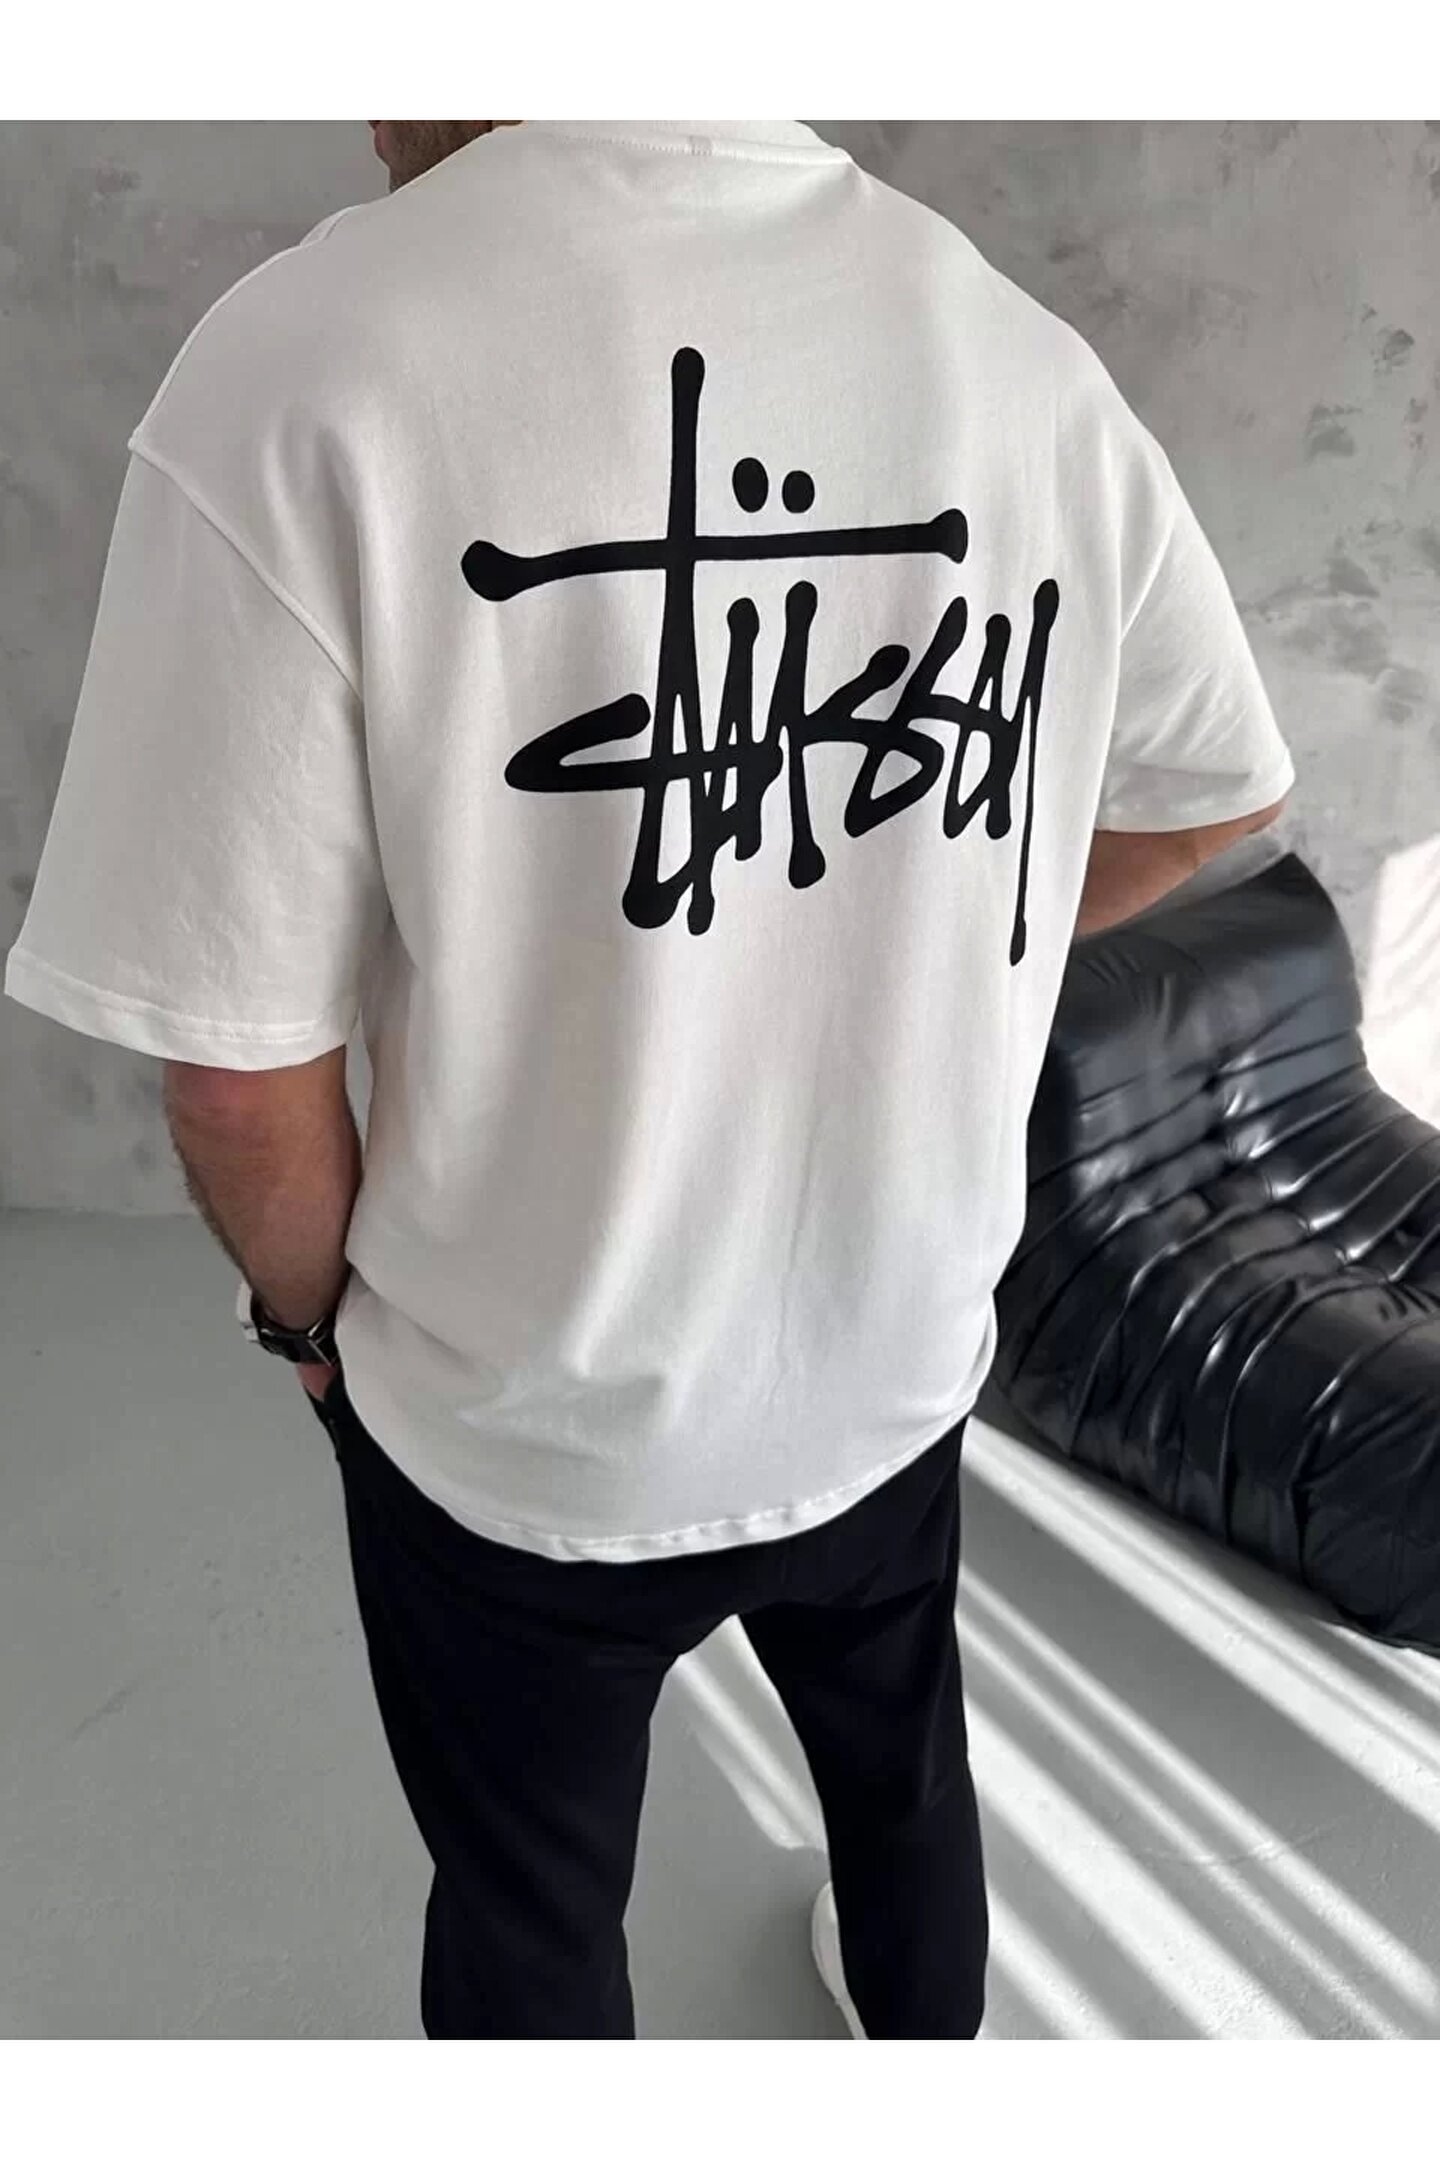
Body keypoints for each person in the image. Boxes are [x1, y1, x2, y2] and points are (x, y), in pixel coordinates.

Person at [3, 117, 1294, 2039]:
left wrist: (309, 1328)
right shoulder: (1016, 354)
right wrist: (951, 941)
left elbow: (239, 1079)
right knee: (904, 1782)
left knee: (530, 1904)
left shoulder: (306, 370)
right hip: (892, 1349)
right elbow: (1217, 795)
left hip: (529, 1420)